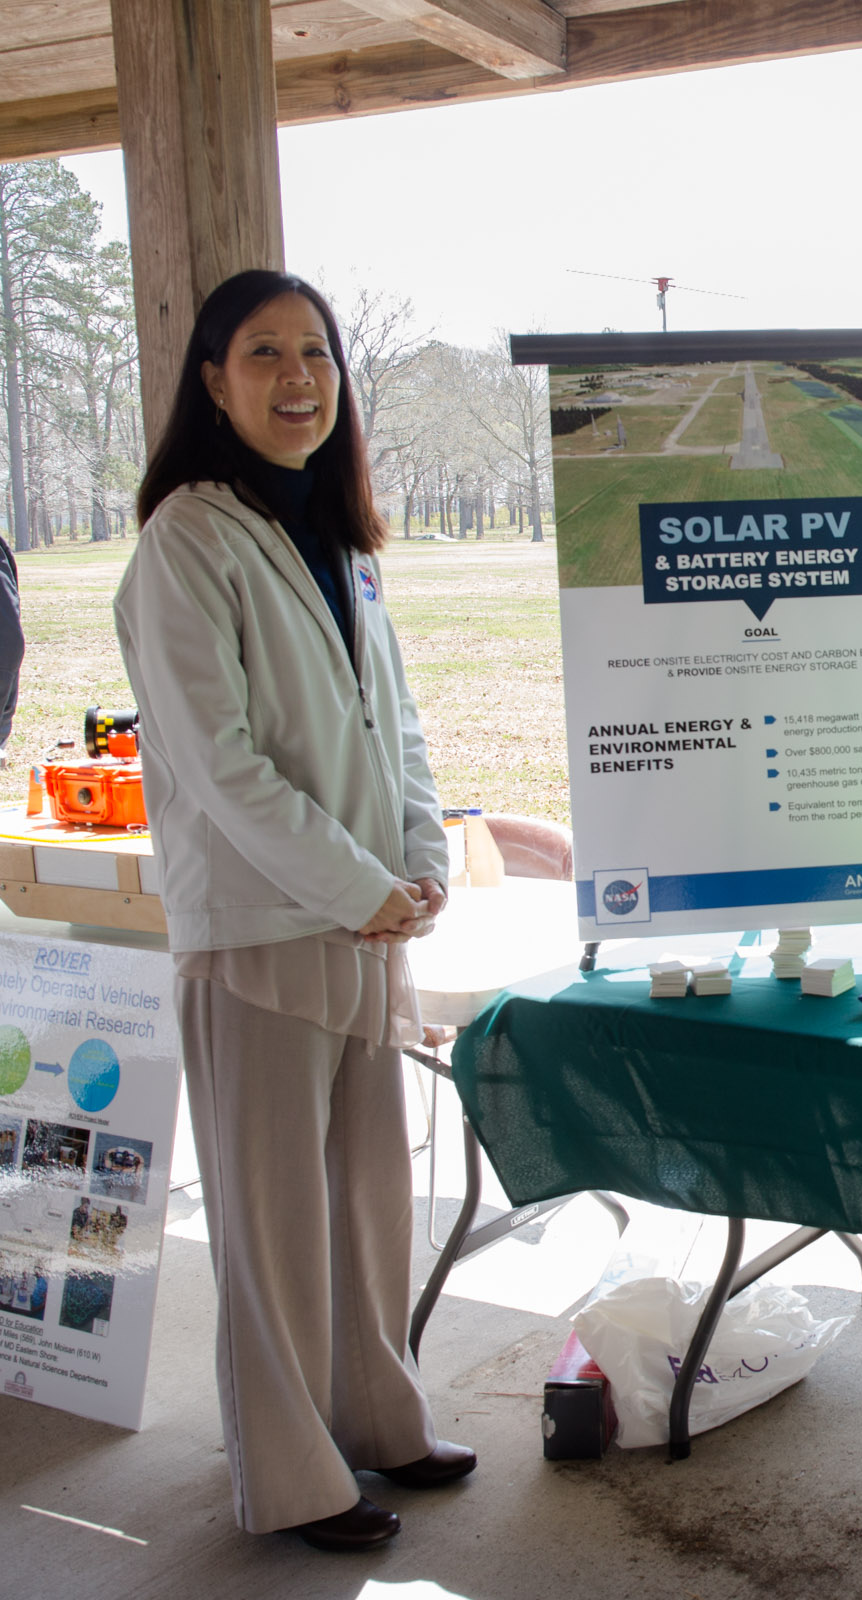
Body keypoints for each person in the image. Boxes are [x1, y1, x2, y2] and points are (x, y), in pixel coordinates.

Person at [115, 269, 470, 1553]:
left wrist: (421, 858)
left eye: (314, 352)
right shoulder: (187, 539)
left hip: (367, 920)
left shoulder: (338, 534)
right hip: (263, 930)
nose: (297, 377)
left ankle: (383, 1420)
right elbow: (221, 765)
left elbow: (399, 731)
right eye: (263, 354)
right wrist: (360, 884)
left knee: (372, 1194)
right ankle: (296, 1475)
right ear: (213, 381)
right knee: (272, 1222)